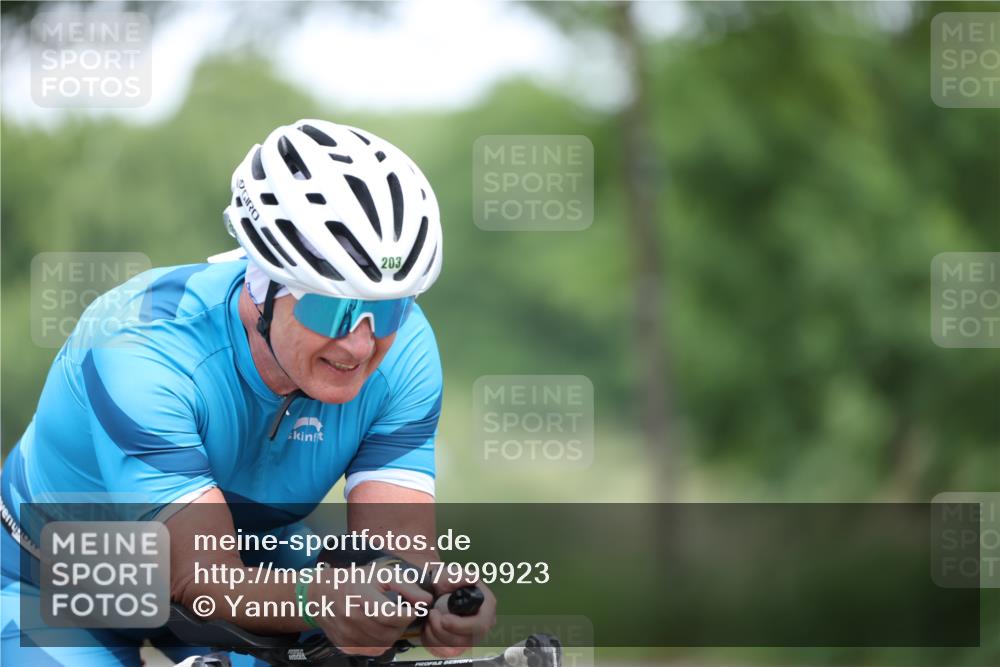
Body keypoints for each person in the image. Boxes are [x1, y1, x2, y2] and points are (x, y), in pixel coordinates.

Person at [1, 119, 496, 666]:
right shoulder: (140, 345)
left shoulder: (403, 351)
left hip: (254, 561)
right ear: (263, 287)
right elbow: (199, 577)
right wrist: (319, 598)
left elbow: (395, 552)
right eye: (333, 308)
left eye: (387, 309)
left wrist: (428, 601)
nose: (360, 344)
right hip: (60, 578)